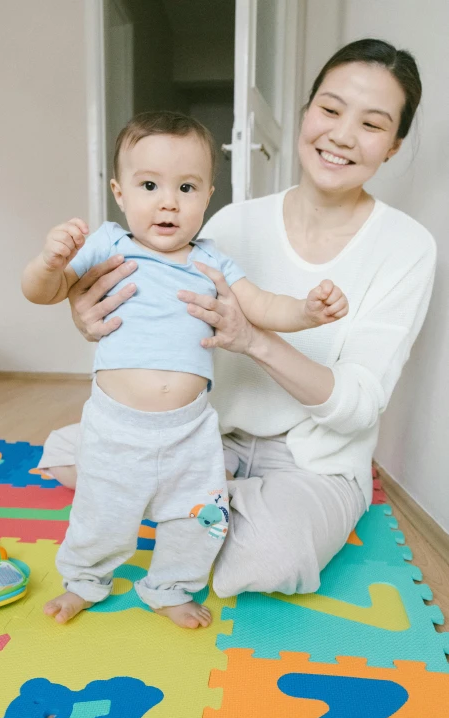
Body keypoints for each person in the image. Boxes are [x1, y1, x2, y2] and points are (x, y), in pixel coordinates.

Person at [39, 38, 436, 620]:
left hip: (308, 459)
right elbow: (152, 316)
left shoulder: (406, 246)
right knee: (63, 451)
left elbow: (357, 407)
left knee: (266, 560)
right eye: (330, 109)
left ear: (394, 144)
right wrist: (88, 313)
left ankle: (190, 507)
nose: (343, 134)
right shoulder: (230, 222)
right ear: (305, 113)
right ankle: (193, 505)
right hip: (209, 431)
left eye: (372, 124)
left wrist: (254, 338)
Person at [23, 112, 348, 629]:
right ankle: (84, 581)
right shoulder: (108, 243)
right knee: (101, 512)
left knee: (197, 516)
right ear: (120, 192)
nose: (168, 201)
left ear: (208, 196)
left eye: (187, 187)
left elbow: (260, 306)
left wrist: (305, 311)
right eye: (149, 185)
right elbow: (46, 291)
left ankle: (170, 585)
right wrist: (47, 262)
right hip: (116, 425)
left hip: (193, 428)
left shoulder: (212, 260)